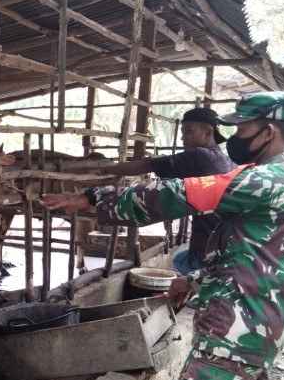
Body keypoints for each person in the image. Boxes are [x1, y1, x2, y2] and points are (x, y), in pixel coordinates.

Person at [39, 91, 284, 380]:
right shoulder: (282, 181)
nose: (232, 137)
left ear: (269, 131)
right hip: (259, 326)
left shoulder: (265, 181)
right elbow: (255, 256)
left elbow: (179, 194)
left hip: (238, 330)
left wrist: (94, 199)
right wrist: (197, 281)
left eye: (240, 128)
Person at [91, 108, 234, 275]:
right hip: (221, 244)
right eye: (182, 132)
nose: (182, 137)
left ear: (208, 132)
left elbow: (148, 165)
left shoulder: (201, 156)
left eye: (188, 131)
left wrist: (107, 170)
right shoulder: (227, 160)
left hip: (208, 248)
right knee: (182, 261)